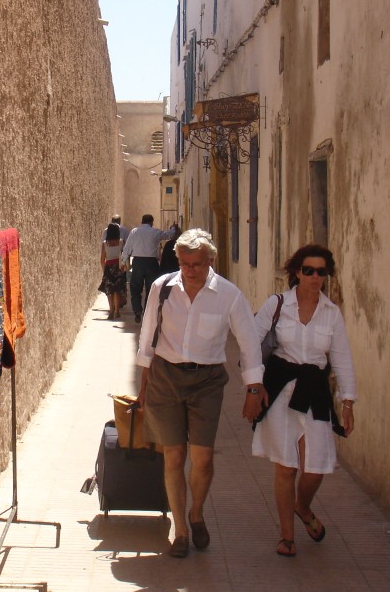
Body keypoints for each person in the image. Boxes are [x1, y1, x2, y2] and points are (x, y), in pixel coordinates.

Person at [136, 229, 267, 558]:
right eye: (184, 263)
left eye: (197, 264)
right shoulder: (162, 287)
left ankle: (197, 514)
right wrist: (144, 382)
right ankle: (180, 529)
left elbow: (250, 342)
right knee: (173, 456)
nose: (190, 270)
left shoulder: (229, 295)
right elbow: (148, 332)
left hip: (207, 380)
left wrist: (254, 386)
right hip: (166, 376)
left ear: (211, 261)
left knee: (203, 459)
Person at [247, 244, 356, 558]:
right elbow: (251, 342)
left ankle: (302, 507)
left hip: (314, 391)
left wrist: (347, 402)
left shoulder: (331, 314)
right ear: (296, 272)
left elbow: (343, 359)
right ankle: (286, 535)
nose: (315, 277)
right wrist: (254, 385)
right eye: (308, 270)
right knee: (286, 467)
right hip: (281, 389)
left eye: (321, 271)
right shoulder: (278, 304)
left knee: (316, 467)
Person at [121, 214, 173, 323]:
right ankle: (147, 312)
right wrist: (173, 228)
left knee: (135, 288)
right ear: (151, 222)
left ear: (142, 221)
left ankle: (137, 311)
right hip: (151, 263)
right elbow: (168, 235)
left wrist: (123, 261)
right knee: (151, 289)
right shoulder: (155, 232)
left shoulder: (134, 232)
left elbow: (127, 248)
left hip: (138, 262)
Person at [98, 223, 127, 318]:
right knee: (117, 290)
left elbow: (102, 259)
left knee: (109, 290)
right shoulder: (121, 242)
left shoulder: (105, 244)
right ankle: (117, 311)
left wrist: (104, 270)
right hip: (119, 267)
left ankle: (111, 311)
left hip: (109, 267)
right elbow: (125, 256)